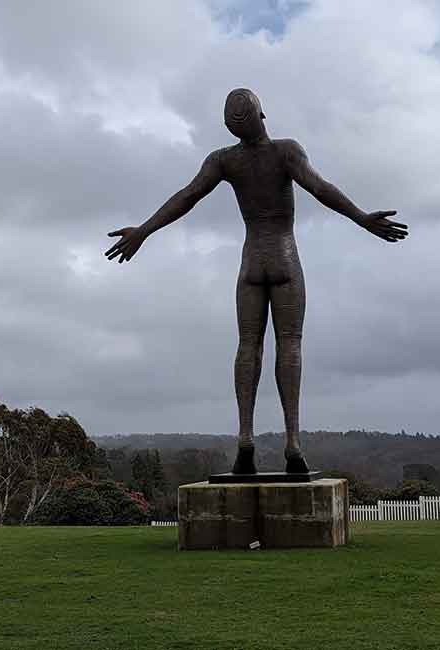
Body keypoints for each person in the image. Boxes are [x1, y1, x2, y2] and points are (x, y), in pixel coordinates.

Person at [105, 88, 407, 474]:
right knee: (290, 345)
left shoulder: (224, 161)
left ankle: (245, 437)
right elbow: (320, 188)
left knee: (248, 344)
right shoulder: (286, 151)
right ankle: (292, 442)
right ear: (263, 115)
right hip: (283, 258)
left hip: (251, 263)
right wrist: (362, 217)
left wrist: (144, 231)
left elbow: (187, 196)